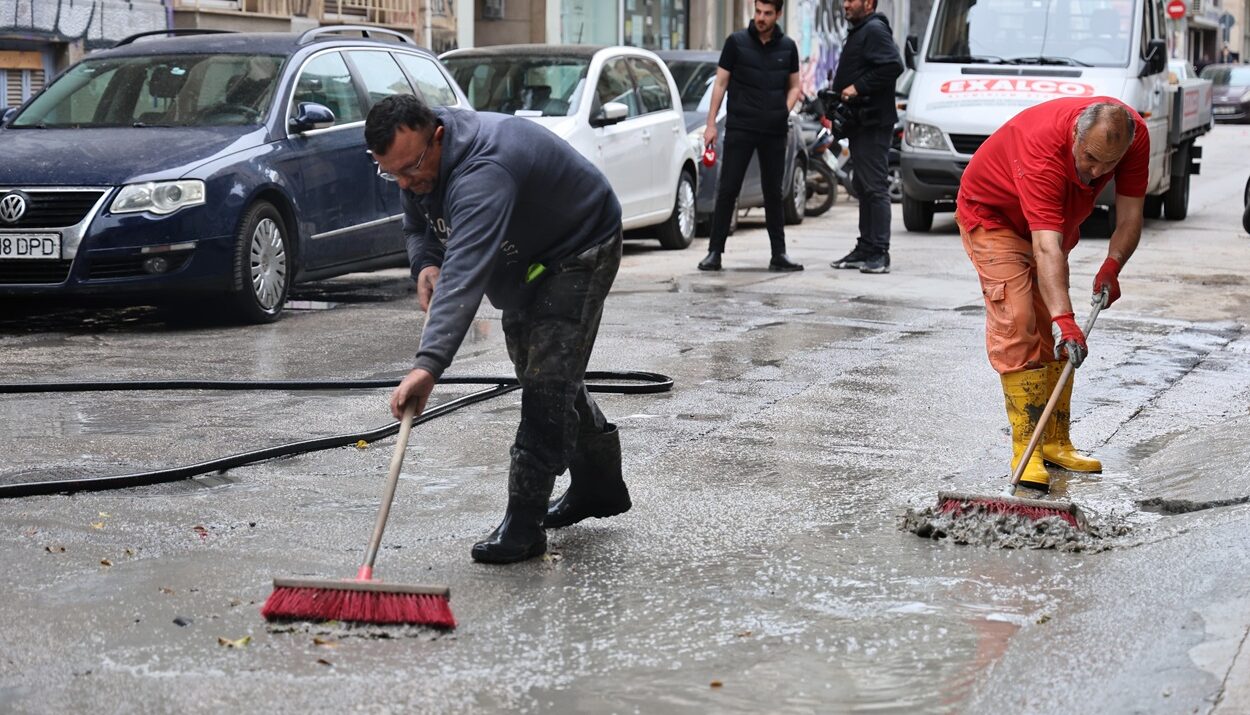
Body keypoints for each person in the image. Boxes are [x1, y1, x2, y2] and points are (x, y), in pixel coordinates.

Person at [366, 94, 631, 564]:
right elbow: (418, 223)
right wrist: (425, 262)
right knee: (541, 373)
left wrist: (427, 367)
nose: (406, 183)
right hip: (525, 258)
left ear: (439, 137)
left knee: (547, 384)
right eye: (394, 174)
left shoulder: (483, 170)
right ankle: (599, 485)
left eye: (411, 169)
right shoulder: (418, 161)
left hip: (580, 244)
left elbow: (465, 273)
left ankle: (524, 525)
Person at [956, 97, 1149, 492]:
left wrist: (1113, 264)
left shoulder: (1134, 138)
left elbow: (1130, 217)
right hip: (994, 216)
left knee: (1052, 333)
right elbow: (1046, 249)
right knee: (1019, 320)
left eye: (1107, 165)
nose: (1096, 173)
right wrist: (1066, 320)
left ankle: (1055, 441)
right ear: (1077, 133)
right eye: (1089, 158)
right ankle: (1025, 449)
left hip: (1054, 222)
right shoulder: (1042, 147)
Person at [697, 0, 804, 273]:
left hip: (773, 130)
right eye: (758, 12)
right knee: (728, 188)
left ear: (778, 14)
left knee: (773, 192)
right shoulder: (736, 43)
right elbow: (720, 84)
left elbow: (795, 86)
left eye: (767, 13)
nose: (761, 18)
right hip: (740, 127)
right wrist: (710, 125)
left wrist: (784, 110)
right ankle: (714, 253)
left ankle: (778, 254)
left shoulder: (788, 47)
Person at [827, 0, 903, 274]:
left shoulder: (874, 30)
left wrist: (857, 87)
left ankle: (879, 252)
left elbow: (893, 65)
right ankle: (865, 247)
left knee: (874, 187)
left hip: (874, 124)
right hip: (861, 123)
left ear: (869, 4)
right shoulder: (861, 30)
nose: (845, 4)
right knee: (863, 185)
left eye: (852, 0)